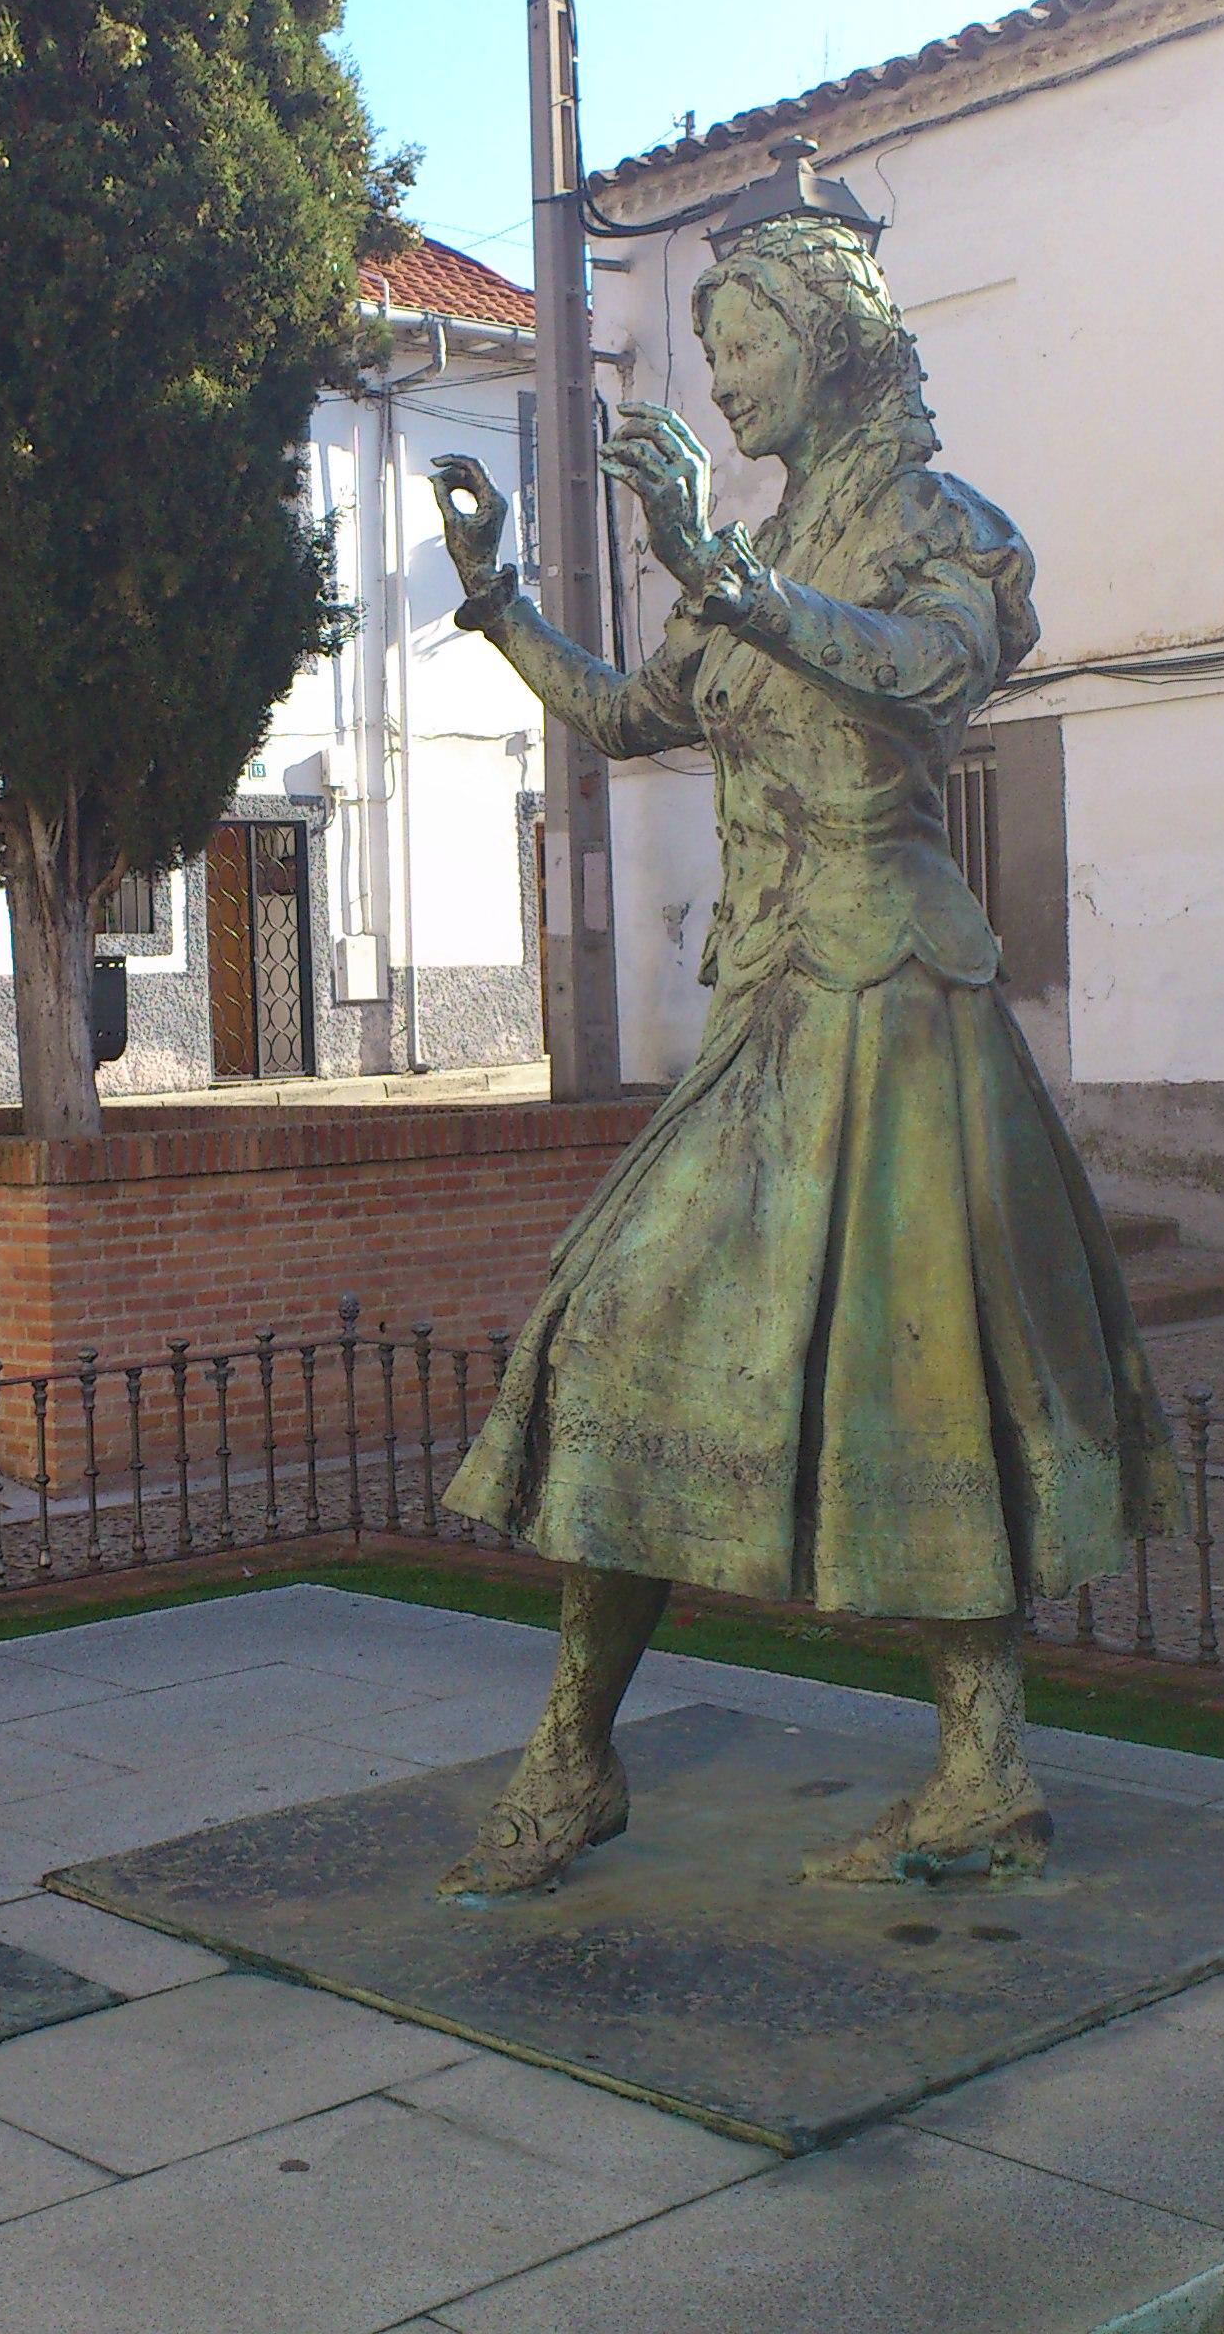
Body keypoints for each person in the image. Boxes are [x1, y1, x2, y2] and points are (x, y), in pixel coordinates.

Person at [425, 210, 1178, 1897]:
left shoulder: (944, 531)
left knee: (924, 1373)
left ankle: (978, 1768)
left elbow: (917, 686)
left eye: (746, 349)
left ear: (827, 348)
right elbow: (633, 720)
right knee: (623, 1326)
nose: (725, 383)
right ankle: (575, 1758)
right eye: (711, 360)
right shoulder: (752, 542)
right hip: (774, 1001)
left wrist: (723, 572)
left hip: (899, 1001)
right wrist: (499, 601)